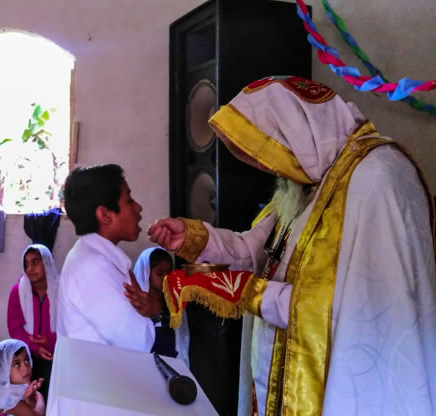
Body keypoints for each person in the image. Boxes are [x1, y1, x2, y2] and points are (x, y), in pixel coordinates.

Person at [149, 76, 436, 415]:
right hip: (278, 375)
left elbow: (354, 310)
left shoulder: (375, 177)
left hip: (336, 389)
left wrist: (250, 292)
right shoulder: (307, 181)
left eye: (269, 151)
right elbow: (254, 252)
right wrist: (194, 237)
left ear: (298, 133)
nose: (266, 167)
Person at [56, 164, 160, 352]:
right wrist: (155, 308)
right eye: (129, 200)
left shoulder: (93, 257)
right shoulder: (92, 267)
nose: (138, 208)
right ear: (104, 215)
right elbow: (139, 341)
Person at [6, 244, 58, 400]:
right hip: (27, 356)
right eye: (26, 264)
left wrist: (51, 341)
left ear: (47, 263)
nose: (30, 269)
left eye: (35, 262)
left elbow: (71, 325)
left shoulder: (62, 289)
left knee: (52, 397)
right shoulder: (18, 291)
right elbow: (15, 328)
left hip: (57, 354)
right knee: (30, 398)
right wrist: (35, 347)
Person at [132, 247, 184, 359]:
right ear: (146, 273)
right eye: (160, 274)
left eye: (169, 273)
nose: (166, 278)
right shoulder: (136, 304)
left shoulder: (172, 303)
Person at [0, 339, 46, 416]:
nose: (25, 367)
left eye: (27, 360)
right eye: (16, 364)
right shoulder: (8, 400)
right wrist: (39, 395)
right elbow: (39, 414)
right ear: (3, 370)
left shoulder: (19, 387)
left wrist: (30, 398)